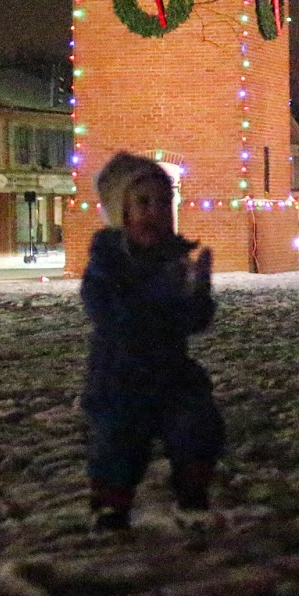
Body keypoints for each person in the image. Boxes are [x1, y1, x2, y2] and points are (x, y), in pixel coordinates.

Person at [81, 152, 225, 533]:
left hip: (171, 371)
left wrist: (198, 295)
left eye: (163, 202)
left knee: (197, 424)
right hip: (120, 372)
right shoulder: (108, 263)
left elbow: (191, 322)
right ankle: (110, 504)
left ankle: (192, 494)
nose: (155, 212)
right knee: (119, 438)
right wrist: (155, 298)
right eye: (143, 203)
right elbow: (106, 310)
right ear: (122, 213)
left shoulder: (174, 260)